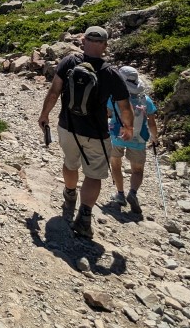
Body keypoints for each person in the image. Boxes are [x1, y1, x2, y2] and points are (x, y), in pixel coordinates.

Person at [38, 25, 134, 240]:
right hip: (96, 133)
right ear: (105, 45)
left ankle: (70, 193)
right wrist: (128, 127)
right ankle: (84, 217)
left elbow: (54, 92)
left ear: (83, 41)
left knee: (70, 163)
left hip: (67, 126)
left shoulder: (69, 62)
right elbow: (124, 106)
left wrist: (44, 115)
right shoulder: (111, 73)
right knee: (93, 175)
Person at [107, 66, 158, 215]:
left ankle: (120, 194)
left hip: (117, 136)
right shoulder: (146, 100)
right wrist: (155, 138)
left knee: (116, 165)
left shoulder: (114, 97)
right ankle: (133, 193)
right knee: (137, 170)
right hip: (138, 139)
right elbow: (152, 123)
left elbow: (107, 114)